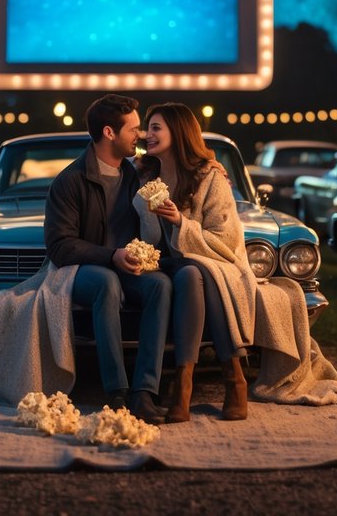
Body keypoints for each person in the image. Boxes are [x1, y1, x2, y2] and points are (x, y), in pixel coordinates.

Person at [43, 93, 172, 424]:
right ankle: (116, 391)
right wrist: (110, 256)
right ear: (109, 133)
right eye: (133, 128)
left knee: (159, 285)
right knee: (107, 282)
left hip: (124, 265)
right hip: (79, 271)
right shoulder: (71, 180)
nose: (139, 135)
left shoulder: (134, 175)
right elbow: (59, 246)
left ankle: (144, 391)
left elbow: (178, 163)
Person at [135, 101, 255, 422]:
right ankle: (233, 377)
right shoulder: (145, 175)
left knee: (192, 272)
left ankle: (187, 383)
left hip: (216, 263)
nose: (148, 134)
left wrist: (180, 222)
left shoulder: (210, 177)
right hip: (164, 264)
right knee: (187, 270)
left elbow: (225, 241)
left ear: (179, 132)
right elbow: (146, 236)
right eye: (148, 128)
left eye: (156, 128)